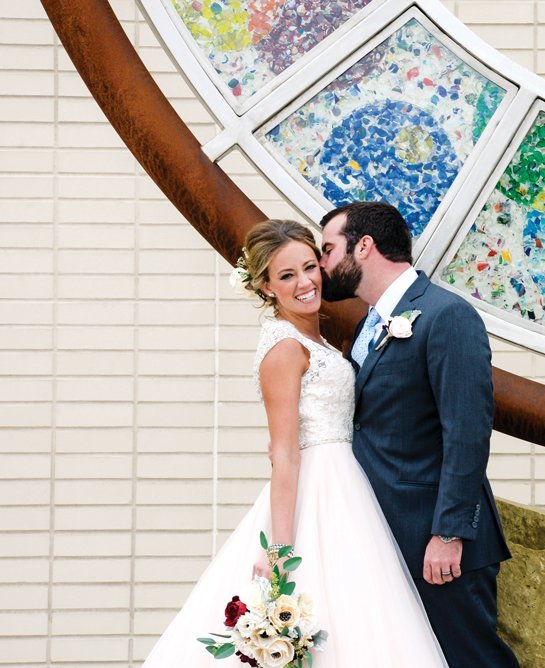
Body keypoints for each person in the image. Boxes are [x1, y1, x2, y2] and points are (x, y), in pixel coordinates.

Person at [143, 219, 447, 666]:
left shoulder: (317, 336)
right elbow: (284, 453)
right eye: (287, 276)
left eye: (310, 267)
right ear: (266, 287)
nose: (305, 282)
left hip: (348, 487)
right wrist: (280, 551)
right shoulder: (283, 348)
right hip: (317, 494)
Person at [319, 201, 520, 667]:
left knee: (470, 659)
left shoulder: (446, 315)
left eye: (329, 249)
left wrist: (448, 532)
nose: (323, 263)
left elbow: (468, 431)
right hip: (380, 532)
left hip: (436, 539)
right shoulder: (367, 325)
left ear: (363, 247)